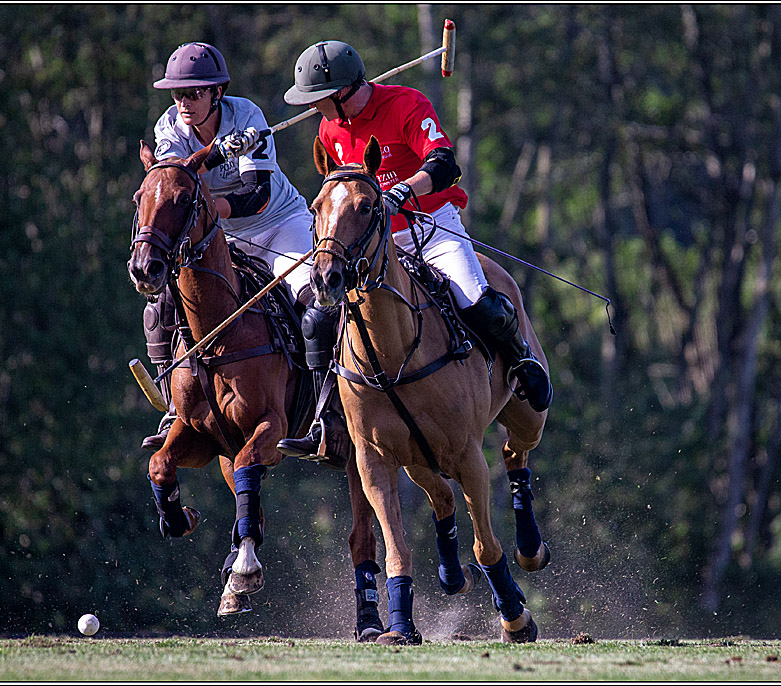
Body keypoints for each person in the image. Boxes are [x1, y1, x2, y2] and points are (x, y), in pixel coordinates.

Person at [275, 40, 553, 461]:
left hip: (429, 226)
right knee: (320, 319)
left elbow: (443, 163)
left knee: (474, 295)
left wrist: (404, 189)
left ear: (343, 92)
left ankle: (522, 363)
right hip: (368, 244)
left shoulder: (407, 105)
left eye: (317, 100)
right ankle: (323, 420)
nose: (313, 109)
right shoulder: (329, 131)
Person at [140, 42, 318, 451]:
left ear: (217, 93)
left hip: (278, 227)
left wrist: (226, 154)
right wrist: (215, 153)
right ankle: (174, 404)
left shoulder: (248, 117)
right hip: (221, 237)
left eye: (194, 93)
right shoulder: (168, 128)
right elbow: (175, 184)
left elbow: (258, 196)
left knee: (313, 298)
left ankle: (329, 407)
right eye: (178, 94)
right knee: (162, 305)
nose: (184, 102)